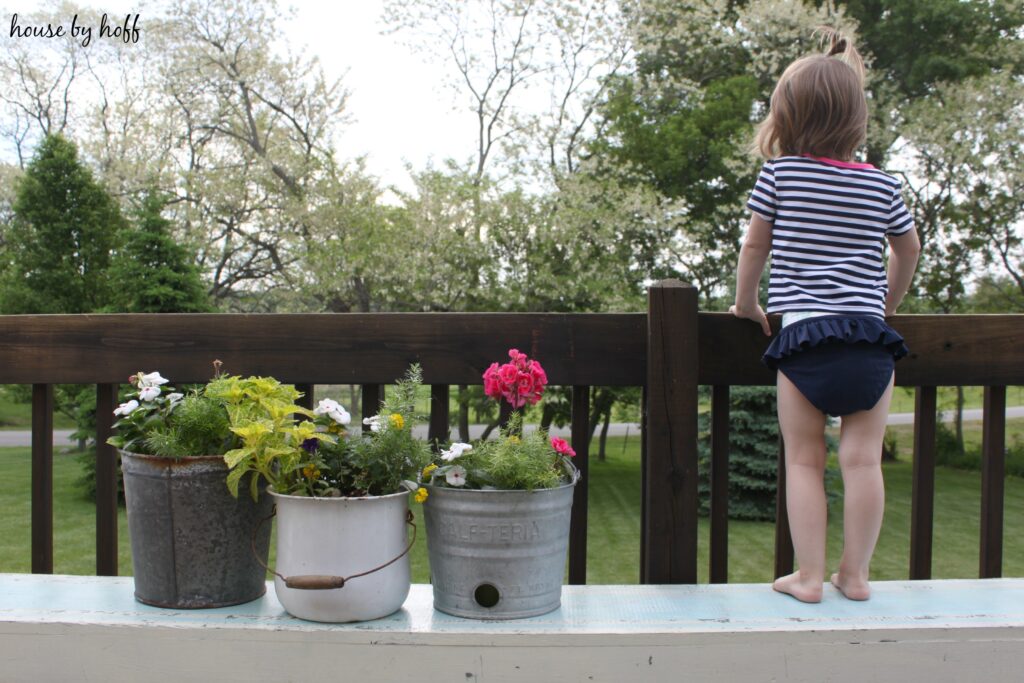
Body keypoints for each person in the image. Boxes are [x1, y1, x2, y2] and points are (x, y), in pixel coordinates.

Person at [729, 29, 921, 603]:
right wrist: (886, 304)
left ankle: (809, 577)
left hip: (805, 337)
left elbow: (754, 248)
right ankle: (856, 577)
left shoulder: (780, 175)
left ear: (788, 116)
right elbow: (908, 247)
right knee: (863, 461)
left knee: (806, 460)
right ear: (856, 118)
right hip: (869, 342)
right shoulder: (883, 184)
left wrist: (746, 304)